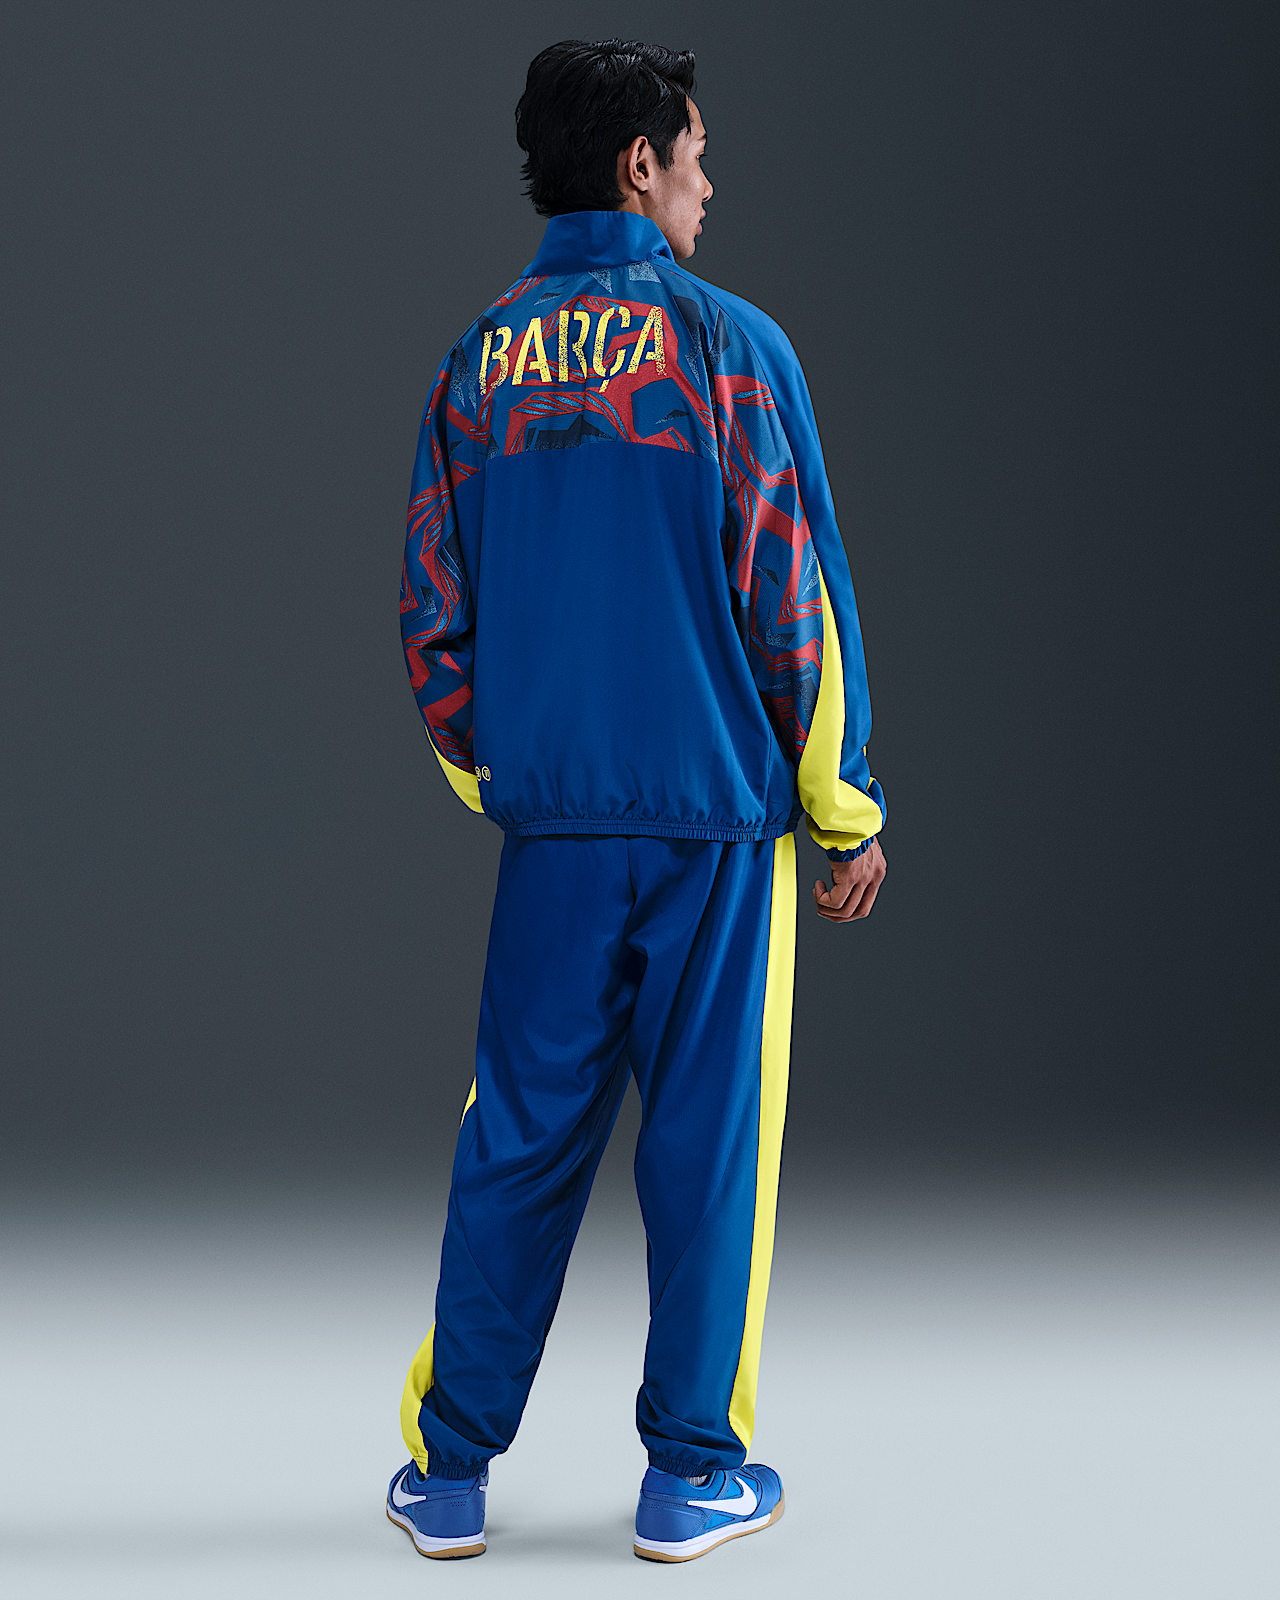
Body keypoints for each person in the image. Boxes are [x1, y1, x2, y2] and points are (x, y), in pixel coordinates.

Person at [388, 38, 887, 1564]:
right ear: (638, 165)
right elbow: (793, 595)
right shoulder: (730, 347)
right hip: (714, 825)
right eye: (697, 155)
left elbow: (431, 610)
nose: (709, 184)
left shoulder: (476, 361)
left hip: (553, 827)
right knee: (708, 1149)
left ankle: (447, 1473)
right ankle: (691, 1477)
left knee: (517, 1135)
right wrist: (843, 806)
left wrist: (502, 775)